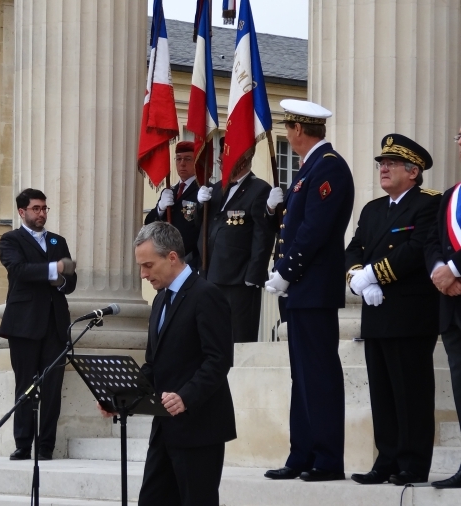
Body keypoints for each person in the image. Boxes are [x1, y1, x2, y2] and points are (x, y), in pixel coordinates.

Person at [127, 222, 235, 506]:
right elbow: (155, 366)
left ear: (173, 258)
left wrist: (186, 396)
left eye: (148, 265)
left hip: (200, 428)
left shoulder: (206, 296)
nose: (144, 274)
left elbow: (217, 361)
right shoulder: (160, 302)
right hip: (164, 427)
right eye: (140, 266)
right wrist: (122, 396)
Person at [264, 99, 354, 482]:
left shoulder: (328, 167)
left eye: (288, 129)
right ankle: (301, 453)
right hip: (302, 290)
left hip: (313, 287)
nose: (288, 134)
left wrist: (285, 271)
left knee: (318, 374)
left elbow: (314, 230)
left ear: (299, 131)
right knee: (301, 375)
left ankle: (327, 458)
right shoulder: (309, 169)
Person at [345, 135, 440, 485]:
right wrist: (358, 278)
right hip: (376, 313)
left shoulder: (429, 204)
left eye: (391, 164)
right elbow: (353, 249)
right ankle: (386, 459)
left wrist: (375, 274)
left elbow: (416, 250)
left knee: (410, 392)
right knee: (382, 393)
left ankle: (413, 464)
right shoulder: (372, 209)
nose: (383, 168)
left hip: (410, 314)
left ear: (413, 172)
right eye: (381, 163)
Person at [0, 189, 77, 461]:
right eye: (36, 209)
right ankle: (23, 444)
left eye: (44, 208)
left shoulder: (58, 240)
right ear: (22, 212)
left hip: (55, 324)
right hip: (24, 324)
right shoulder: (11, 240)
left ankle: (46, 447)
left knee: (52, 387)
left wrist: (63, 279)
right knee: (26, 386)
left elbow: (71, 280)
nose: (41, 213)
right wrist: (54, 270)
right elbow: (18, 270)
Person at [197, 140, 273, 342]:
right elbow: (202, 228)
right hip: (209, 275)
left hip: (238, 280)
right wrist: (199, 206)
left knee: (238, 340)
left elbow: (262, 235)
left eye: (225, 153)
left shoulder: (258, 189)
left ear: (242, 158)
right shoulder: (216, 189)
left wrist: (254, 274)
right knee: (211, 339)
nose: (220, 159)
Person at [427, 125, 461, 489]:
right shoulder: (450, 196)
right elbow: (432, 242)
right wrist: (439, 269)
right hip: (451, 308)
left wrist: (454, 269)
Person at [144, 141, 200, 267]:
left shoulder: (202, 191)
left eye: (188, 159)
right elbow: (149, 223)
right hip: (166, 260)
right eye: (178, 159)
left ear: (196, 161)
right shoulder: (170, 192)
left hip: (190, 260)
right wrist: (160, 208)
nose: (182, 164)